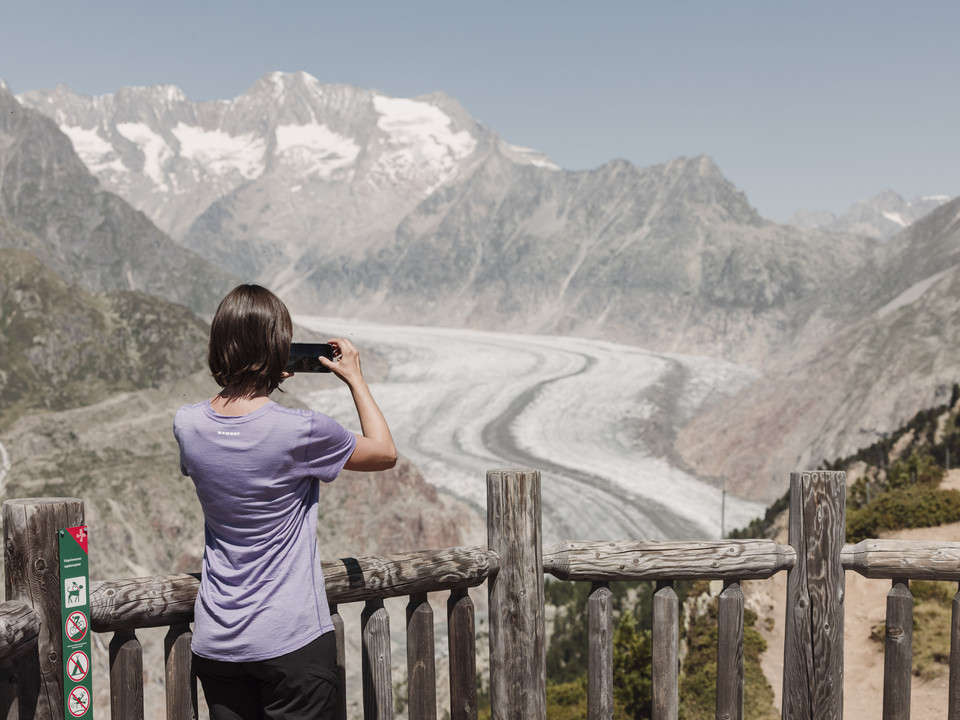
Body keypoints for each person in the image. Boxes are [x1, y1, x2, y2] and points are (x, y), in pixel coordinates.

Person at [173, 283, 397, 720]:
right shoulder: (302, 430)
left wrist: (260, 377)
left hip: (218, 643)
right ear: (278, 348)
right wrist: (355, 377)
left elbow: (234, 445)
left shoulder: (187, 424)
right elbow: (384, 452)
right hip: (291, 643)